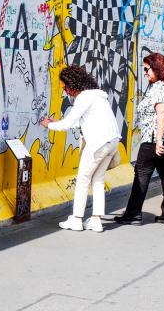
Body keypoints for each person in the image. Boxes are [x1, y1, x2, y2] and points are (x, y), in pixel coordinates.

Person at [42, 66, 120, 232]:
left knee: (83, 180)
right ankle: (96, 220)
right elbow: (81, 122)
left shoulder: (84, 97)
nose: (64, 90)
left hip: (97, 144)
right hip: (111, 141)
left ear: (72, 84)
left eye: (65, 86)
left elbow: (67, 124)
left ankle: (76, 219)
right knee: (97, 180)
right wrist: (57, 122)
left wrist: (50, 125)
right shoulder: (98, 96)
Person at [115, 53, 164, 226]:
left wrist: (159, 140)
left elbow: (162, 113)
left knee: (142, 173)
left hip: (155, 139)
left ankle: (133, 214)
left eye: (147, 69)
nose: (145, 72)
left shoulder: (160, 87)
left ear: (157, 68)